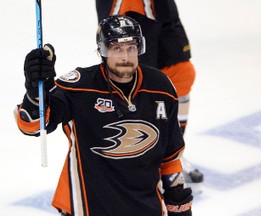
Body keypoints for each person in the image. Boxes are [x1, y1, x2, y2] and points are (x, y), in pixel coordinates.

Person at [15, 15, 193, 216]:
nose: (125, 57)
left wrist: (180, 207)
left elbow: (170, 159)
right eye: (117, 49)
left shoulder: (161, 88)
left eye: (131, 48)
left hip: (145, 210)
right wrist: (35, 91)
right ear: (103, 50)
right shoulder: (80, 88)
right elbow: (32, 125)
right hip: (87, 209)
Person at [95, 0, 203, 183]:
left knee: (182, 73)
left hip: (160, 9)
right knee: (134, 82)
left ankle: (172, 156)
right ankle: (137, 157)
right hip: (125, 11)